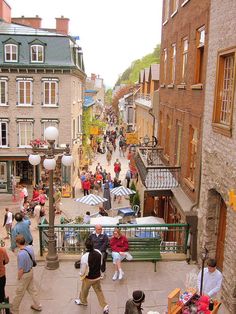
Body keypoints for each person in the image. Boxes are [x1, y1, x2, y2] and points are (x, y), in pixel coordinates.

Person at [75, 238, 109, 314]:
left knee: (84, 290)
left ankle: (83, 301)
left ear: (86, 247)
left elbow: (83, 270)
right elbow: (100, 264)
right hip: (97, 277)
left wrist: (80, 274)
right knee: (99, 291)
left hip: (89, 278)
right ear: (93, 245)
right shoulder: (99, 252)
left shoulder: (84, 257)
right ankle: (105, 306)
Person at [11, 235, 42, 313]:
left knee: (19, 293)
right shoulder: (30, 249)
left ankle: (14, 310)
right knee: (32, 290)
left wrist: (19, 277)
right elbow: (33, 259)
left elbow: (21, 269)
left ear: (17, 243)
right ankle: (38, 305)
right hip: (30, 271)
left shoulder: (21, 254)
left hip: (24, 275)